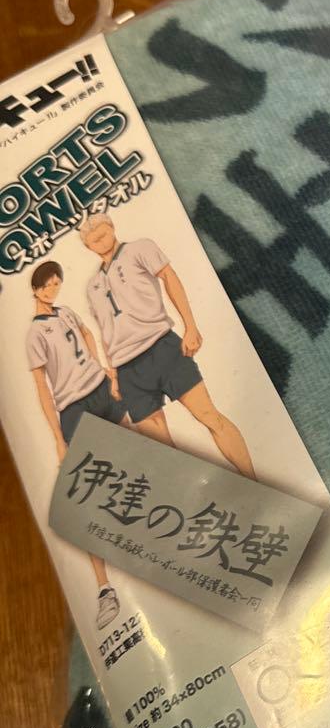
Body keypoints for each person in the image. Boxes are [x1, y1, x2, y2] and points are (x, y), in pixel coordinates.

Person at [79, 213, 256, 480]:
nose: (101, 242)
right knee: (162, 449)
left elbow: (169, 277)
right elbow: (106, 329)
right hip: (127, 369)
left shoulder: (139, 249)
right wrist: (113, 374)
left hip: (162, 348)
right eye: (94, 240)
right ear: (88, 247)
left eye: (103, 234)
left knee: (208, 415)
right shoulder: (93, 286)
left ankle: (252, 479)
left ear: (112, 228)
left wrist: (190, 326)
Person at [26, 261, 125, 628]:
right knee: (86, 494)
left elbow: (85, 333)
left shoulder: (65, 311)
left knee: (145, 459)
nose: (53, 289)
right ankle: (104, 589)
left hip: (100, 390)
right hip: (74, 408)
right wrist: (57, 438)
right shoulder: (34, 334)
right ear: (35, 289)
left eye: (56, 283)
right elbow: (41, 388)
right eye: (47, 285)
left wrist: (104, 368)